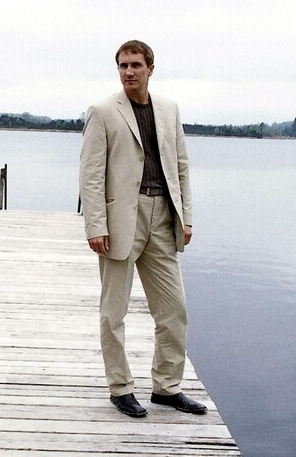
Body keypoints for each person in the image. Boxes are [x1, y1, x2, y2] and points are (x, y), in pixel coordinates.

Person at [79, 40, 207, 418]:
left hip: (163, 217)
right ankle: (120, 388)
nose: (128, 72)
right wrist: (95, 225)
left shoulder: (169, 110)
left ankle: (167, 388)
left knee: (174, 311)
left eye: (135, 64)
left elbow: (180, 165)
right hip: (121, 221)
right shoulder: (102, 111)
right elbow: (90, 174)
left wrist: (185, 216)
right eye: (122, 66)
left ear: (151, 67)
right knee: (113, 313)